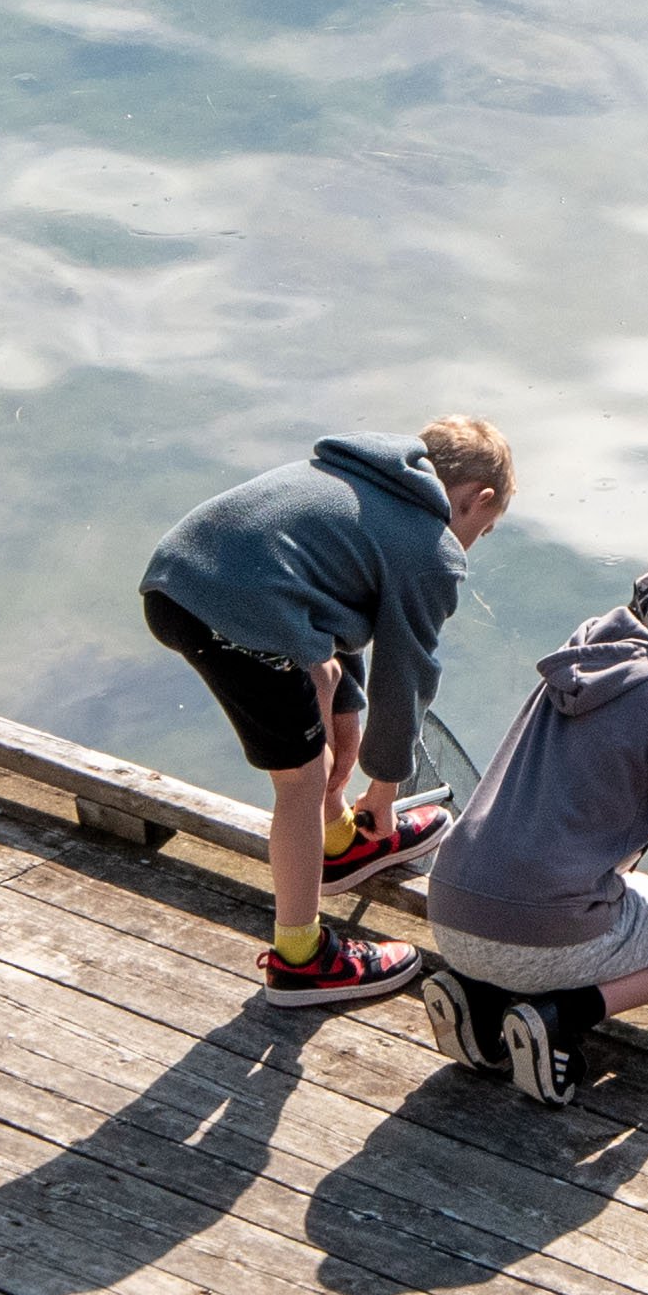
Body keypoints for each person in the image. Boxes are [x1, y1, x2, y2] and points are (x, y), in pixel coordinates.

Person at [141, 420, 514, 1010]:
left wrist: (347, 713)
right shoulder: (431, 548)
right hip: (235, 611)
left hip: (178, 580)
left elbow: (330, 613)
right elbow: (407, 673)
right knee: (299, 781)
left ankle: (339, 840)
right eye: (483, 530)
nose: (473, 541)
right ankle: (301, 960)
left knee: (324, 680)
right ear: (479, 499)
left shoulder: (363, 476)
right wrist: (386, 789)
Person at [420, 568, 648, 1106]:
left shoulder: (578, 667)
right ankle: (561, 1019)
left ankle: (481, 1001)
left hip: (448, 911)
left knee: (628, 892)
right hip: (542, 939)